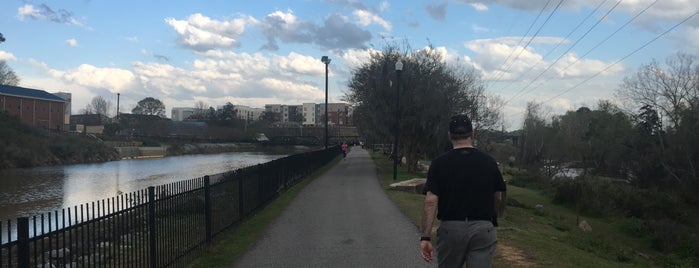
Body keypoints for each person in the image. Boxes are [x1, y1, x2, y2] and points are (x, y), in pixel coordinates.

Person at [419, 114, 506, 267]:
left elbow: (431, 201)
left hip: (451, 229)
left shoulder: (439, 163)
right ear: (472, 134)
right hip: (483, 228)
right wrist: (490, 218)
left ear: (449, 135)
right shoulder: (489, 162)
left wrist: (425, 237)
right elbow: (498, 196)